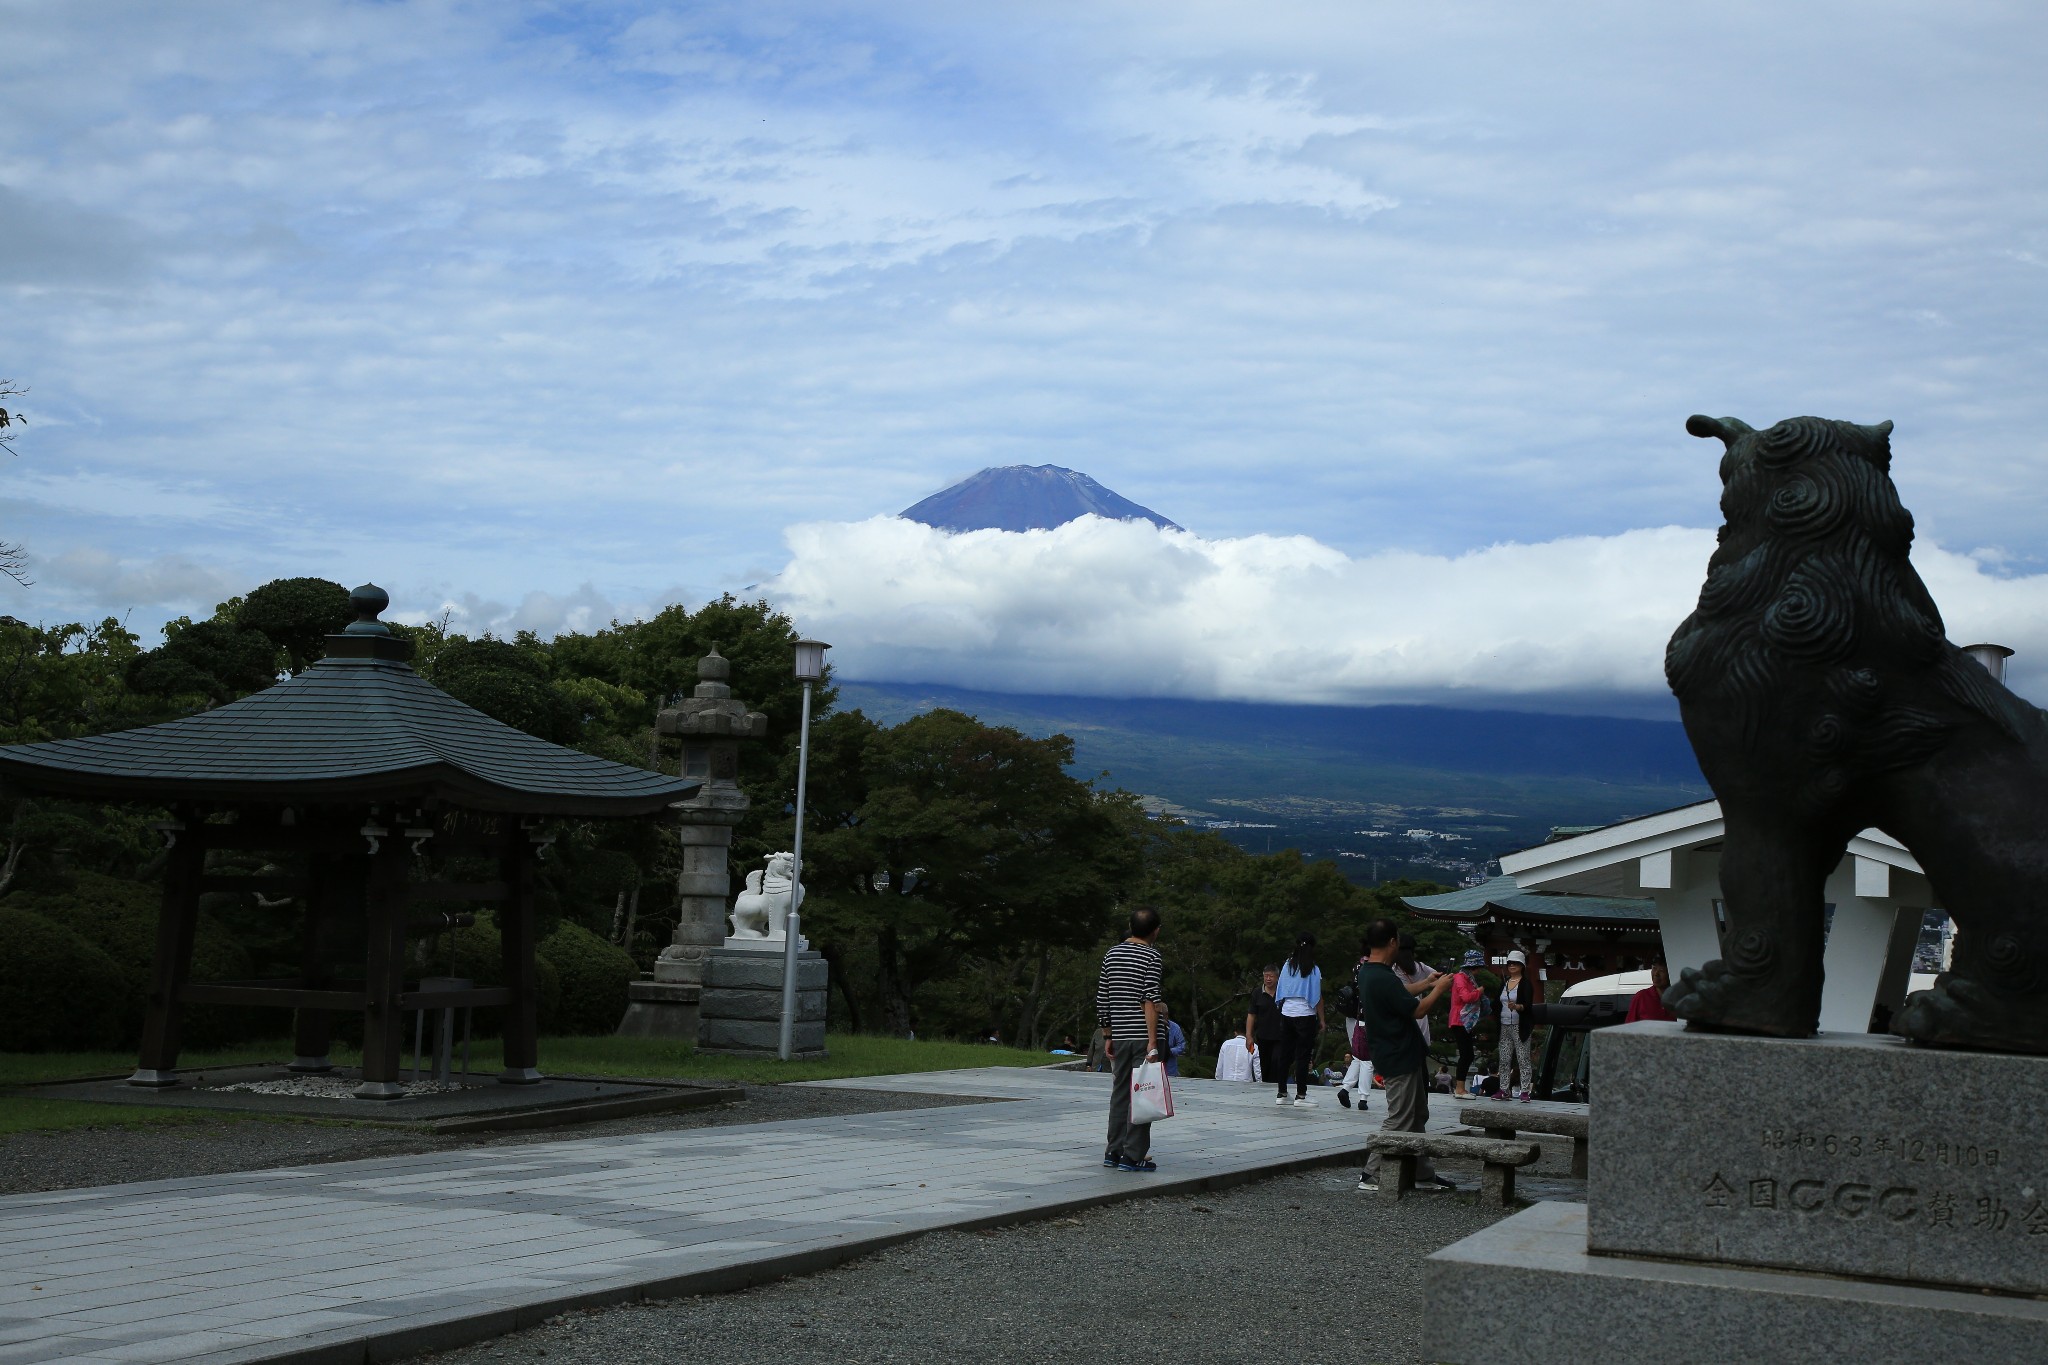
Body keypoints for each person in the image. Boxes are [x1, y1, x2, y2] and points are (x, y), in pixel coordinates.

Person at [1357, 917, 1458, 1192]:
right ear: (1392, 942)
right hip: (1397, 1054)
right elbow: (1417, 1010)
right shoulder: (1380, 975)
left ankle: (1421, 1173)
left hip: (1400, 1052)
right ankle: (1371, 1173)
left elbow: (1400, 993)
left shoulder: (1370, 971)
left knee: (1416, 1115)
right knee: (1400, 1116)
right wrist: (1439, 989)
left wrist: (1426, 983)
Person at [1096, 906, 1166, 1172]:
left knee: (1120, 1093)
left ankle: (1113, 1151)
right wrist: (1152, 1042)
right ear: (1155, 930)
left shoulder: (1111, 954)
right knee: (1142, 1095)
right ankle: (1132, 1155)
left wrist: (1107, 1033)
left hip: (1120, 1034)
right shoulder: (1151, 956)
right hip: (1142, 1035)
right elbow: (1149, 998)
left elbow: (1103, 996)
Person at [1271, 935, 1325, 1107]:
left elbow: (1281, 988)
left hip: (1287, 1012)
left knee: (1285, 1054)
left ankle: (1281, 1093)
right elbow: (1317, 996)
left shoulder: (1288, 965)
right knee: (1302, 1055)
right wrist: (1322, 1019)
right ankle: (1301, 1095)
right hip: (1305, 1014)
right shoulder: (1313, 969)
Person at [1498, 950, 1537, 1101]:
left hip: (1520, 1026)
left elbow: (1528, 1005)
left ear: (1522, 966)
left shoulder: (1526, 984)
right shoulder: (1504, 982)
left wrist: (1517, 1007)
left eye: (1516, 963)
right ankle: (1503, 1090)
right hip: (1504, 1025)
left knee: (1523, 1059)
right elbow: (1497, 1003)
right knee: (1504, 1059)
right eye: (1510, 963)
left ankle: (1525, 1091)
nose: (1512, 965)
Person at [1447, 949, 1487, 1098]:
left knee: (1467, 1054)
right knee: (1466, 1054)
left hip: (1465, 1020)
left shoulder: (1467, 978)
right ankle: (1460, 1088)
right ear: (1474, 967)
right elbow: (1466, 997)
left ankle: (1461, 1088)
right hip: (1460, 1019)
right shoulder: (1461, 978)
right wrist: (1479, 992)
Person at [1245, 964, 1285, 1089]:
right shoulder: (1257, 993)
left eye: (1271, 976)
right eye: (1266, 976)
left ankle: (1278, 1088)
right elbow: (1251, 1015)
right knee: (1265, 1066)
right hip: (1263, 1036)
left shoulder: (1283, 992)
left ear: (1277, 978)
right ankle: (1267, 1089)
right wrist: (1248, 1035)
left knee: (1277, 1062)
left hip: (1280, 1036)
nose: (1268, 979)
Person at [1161, 1004, 1188, 1077]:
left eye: (1162, 1015)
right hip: (1154, 1068)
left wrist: (1170, 1051)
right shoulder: (1151, 1027)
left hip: (1170, 1069)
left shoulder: (1175, 1028)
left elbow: (1182, 1046)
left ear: (1167, 1015)